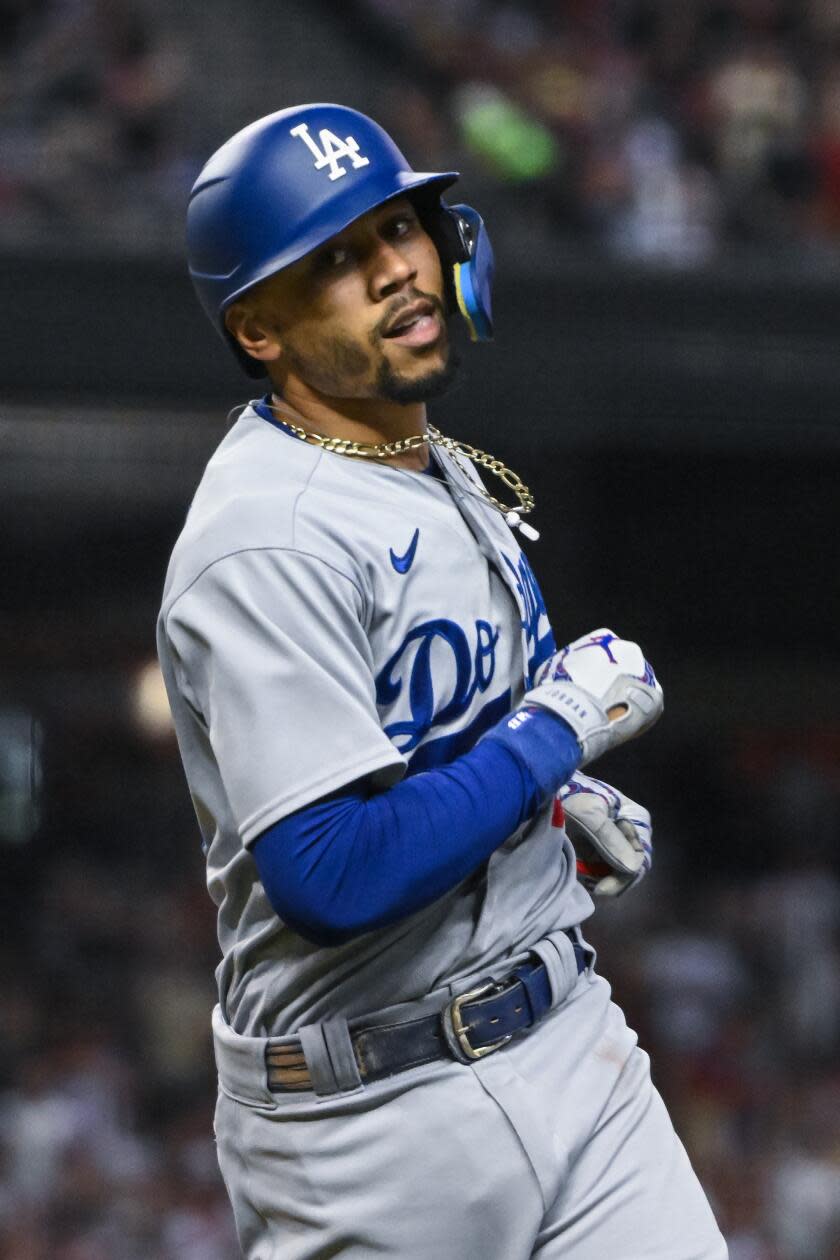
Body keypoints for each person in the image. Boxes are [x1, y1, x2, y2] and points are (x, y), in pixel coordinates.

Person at [157, 103, 727, 1259]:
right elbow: (333, 872)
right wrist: (554, 739)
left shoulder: (420, 454)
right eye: (335, 261)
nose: (396, 272)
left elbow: (436, 735)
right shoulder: (267, 537)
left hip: (569, 1039)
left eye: (397, 228)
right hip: (368, 1128)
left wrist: (545, 811)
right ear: (258, 328)